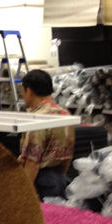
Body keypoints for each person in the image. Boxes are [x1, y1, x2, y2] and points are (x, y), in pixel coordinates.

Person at [18, 69, 75, 200]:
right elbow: (68, 155)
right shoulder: (65, 114)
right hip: (59, 177)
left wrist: (23, 193)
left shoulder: (37, 118)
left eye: (23, 91)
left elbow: (32, 162)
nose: (23, 95)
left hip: (40, 181)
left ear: (29, 91)